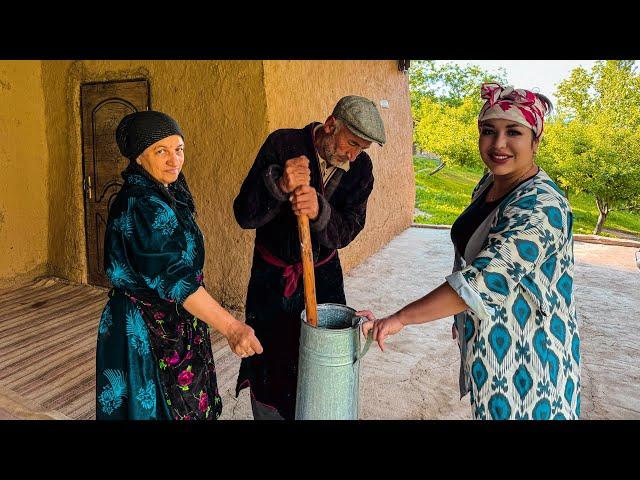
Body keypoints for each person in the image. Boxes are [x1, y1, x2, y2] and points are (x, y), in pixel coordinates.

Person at [360, 83, 581, 420]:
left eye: (514, 132)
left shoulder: (541, 209)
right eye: (489, 131)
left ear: (536, 140)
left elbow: (480, 283)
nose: (499, 144)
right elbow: (472, 251)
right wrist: (460, 318)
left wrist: (401, 318)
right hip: (490, 343)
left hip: (530, 359)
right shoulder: (491, 183)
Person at [96, 110, 263, 420]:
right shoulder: (140, 204)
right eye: (161, 151)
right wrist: (232, 327)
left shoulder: (167, 191)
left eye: (179, 149)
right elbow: (174, 276)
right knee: (155, 407)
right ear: (139, 158)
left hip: (175, 319)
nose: (174, 159)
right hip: (143, 327)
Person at [233, 95, 386, 419]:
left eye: (362, 148)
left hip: (323, 279)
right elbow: (244, 214)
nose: (353, 154)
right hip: (271, 282)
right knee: (270, 364)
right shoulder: (284, 144)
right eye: (351, 143)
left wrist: (320, 212)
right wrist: (278, 184)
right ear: (331, 125)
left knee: (323, 366)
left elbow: (348, 230)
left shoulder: (361, 169)